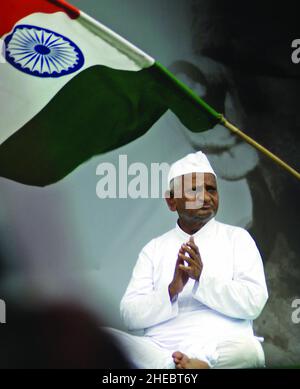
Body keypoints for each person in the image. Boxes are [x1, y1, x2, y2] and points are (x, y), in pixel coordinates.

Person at [109, 151, 268, 369]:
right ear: (172, 201)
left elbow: (254, 302)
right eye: (194, 190)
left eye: (211, 189)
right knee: (104, 339)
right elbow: (130, 315)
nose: (205, 196)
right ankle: (177, 365)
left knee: (249, 352)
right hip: (160, 349)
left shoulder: (237, 238)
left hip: (220, 345)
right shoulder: (154, 248)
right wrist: (172, 289)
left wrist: (203, 278)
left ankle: (194, 364)